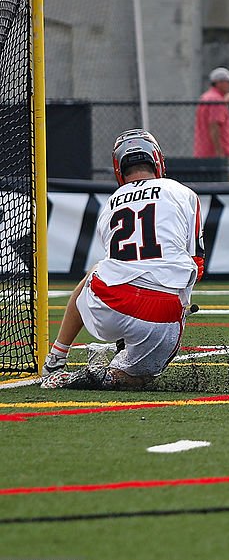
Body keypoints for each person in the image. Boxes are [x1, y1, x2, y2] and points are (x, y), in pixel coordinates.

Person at [40, 129, 205, 389]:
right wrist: (182, 305)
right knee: (136, 380)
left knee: (97, 271)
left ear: (119, 168)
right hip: (159, 315)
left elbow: (119, 264)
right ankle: (104, 375)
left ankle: (56, 359)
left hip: (108, 303)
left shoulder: (112, 203)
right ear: (157, 161)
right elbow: (196, 263)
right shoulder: (182, 193)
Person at [194, 66, 229, 182]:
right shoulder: (217, 100)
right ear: (219, 83)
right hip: (220, 154)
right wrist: (219, 153)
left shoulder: (206, 97)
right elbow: (214, 126)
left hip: (203, 152)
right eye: (228, 82)